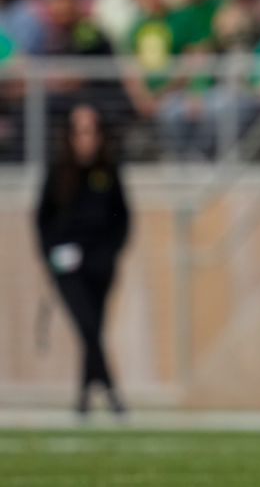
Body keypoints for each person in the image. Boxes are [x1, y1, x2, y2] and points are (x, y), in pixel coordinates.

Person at [35, 104, 130, 417]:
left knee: (94, 331)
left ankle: (84, 398)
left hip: (99, 266)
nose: (85, 138)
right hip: (68, 268)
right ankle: (111, 391)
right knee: (87, 328)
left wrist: (109, 254)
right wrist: (53, 255)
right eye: (79, 132)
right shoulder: (58, 171)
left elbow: (123, 220)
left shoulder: (108, 172)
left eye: (90, 131)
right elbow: (42, 220)